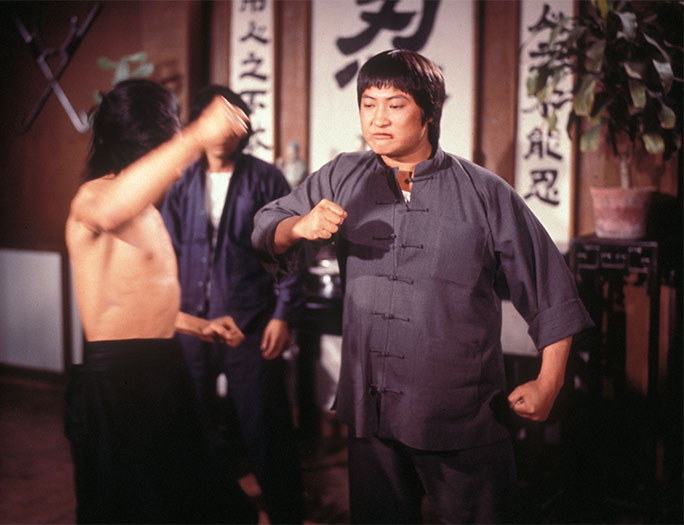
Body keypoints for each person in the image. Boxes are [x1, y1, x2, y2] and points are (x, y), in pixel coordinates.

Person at [252, 49, 594, 524]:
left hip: (460, 410)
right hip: (372, 407)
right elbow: (267, 225)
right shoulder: (342, 175)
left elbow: (550, 287)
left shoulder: (483, 192)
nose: (378, 119)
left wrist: (549, 381)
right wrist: (299, 226)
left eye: (395, 105)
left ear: (429, 113)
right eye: (368, 104)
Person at [64, 78, 257, 524]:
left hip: (165, 369)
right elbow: (111, 209)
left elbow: (138, 299)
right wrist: (197, 135)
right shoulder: (94, 197)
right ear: (145, 146)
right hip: (116, 383)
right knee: (130, 514)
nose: (176, 167)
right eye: (167, 144)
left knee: (213, 509)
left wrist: (197, 324)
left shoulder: (148, 210)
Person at [160, 84, 305, 524]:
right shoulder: (181, 179)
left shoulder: (266, 178)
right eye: (211, 120)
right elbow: (166, 251)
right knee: (195, 429)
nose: (221, 132)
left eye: (231, 121)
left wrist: (282, 315)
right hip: (193, 326)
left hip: (251, 323)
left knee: (266, 429)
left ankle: (286, 515)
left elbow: (289, 253)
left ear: (243, 128)